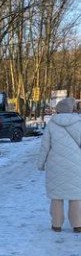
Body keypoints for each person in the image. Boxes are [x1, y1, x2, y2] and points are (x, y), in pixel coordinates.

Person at [37, 97, 81, 233]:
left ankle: (56, 224)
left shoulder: (51, 124)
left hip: (55, 165)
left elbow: (45, 146)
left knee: (57, 196)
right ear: (71, 109)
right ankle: (77, 224)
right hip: (76, 164)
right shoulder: (78, 123)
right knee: (76, 195)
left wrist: (40, 163)